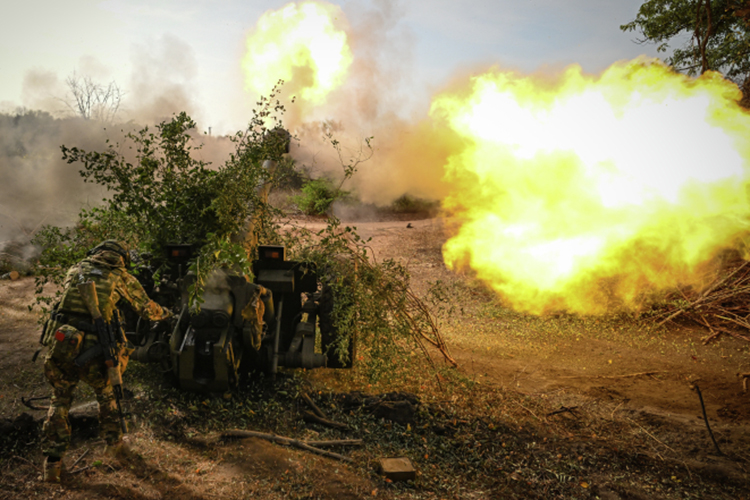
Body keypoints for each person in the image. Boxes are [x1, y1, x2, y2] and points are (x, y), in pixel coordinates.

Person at [40, 240, 172, 482]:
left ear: (96, 254)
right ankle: (113, 445)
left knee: (60, 399)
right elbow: (147, 310)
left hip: (63, 346)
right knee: (107, 395)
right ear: (121, 259)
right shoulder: (120, 277)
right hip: (94, 350)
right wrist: (167, 313)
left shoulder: (76, 269)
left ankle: (53, 463)